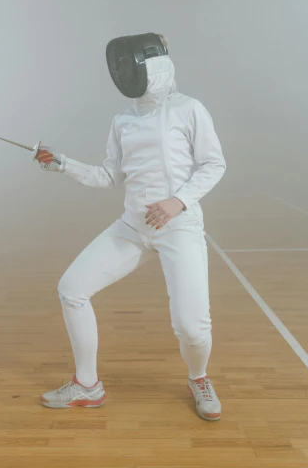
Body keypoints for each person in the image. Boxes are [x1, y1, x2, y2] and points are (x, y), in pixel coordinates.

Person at [35, 33, 226, 421]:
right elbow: (109, 175)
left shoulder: (188, 109)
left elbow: (214, 164)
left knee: (191, 328)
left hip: (179, 227)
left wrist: (177, 202)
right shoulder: (123, 119)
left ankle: (198, 377)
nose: (122, 73)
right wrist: (62, 163)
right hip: (134, 228)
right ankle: (87, 385)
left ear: (151, 66)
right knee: (71, 289)